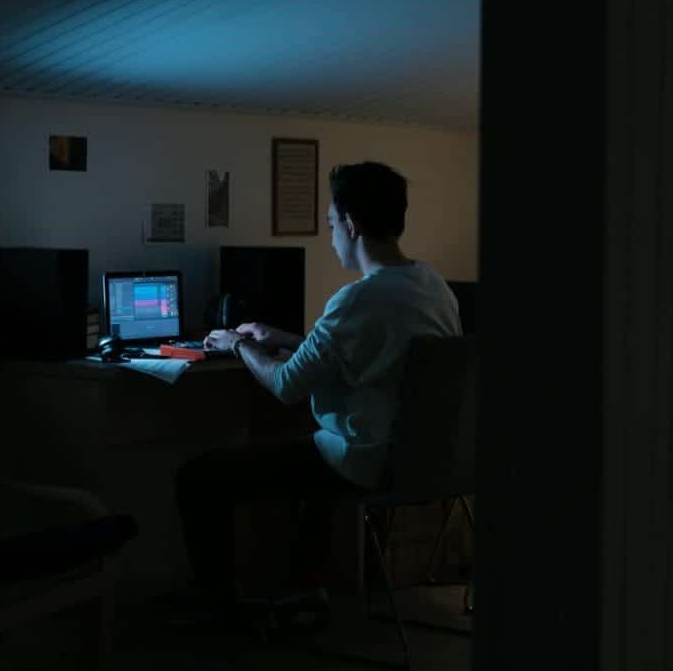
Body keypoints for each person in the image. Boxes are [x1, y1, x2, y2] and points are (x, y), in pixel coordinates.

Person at [175, 161, 462, 623]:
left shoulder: (356, 299)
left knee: (199, 477)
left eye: (331, 225)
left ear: (350, 224)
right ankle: (304, 590)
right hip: (429, 461)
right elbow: (365, 351)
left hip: (367, 463)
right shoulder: (434, 287)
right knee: (316, 449)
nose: (331, 238)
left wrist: (239, 343)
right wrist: (287, 339)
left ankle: (219, 609)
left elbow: (287, 386)